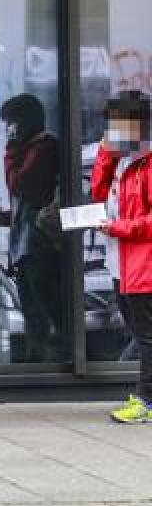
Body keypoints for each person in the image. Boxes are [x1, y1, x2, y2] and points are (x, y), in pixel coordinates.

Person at [92, 90, 152, 423]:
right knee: (141, 333)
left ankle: (145, 401)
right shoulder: (125, 159)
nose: (113, 130)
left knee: (146, 337)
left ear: (138, 125)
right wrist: (106, 152)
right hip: (123, 264)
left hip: (144, 265)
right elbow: (100, 192)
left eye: (119, 124)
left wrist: (119, 228)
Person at [0, 94, 63, 362]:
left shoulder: (44, 147)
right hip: (26, 245)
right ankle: (38, 358)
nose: (8, 129)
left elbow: (22, 185)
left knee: (44, 307)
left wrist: (12, 149)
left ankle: (49, 361)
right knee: (31, 309)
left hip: (40, 244)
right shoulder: (31, 148)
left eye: (10, 123)